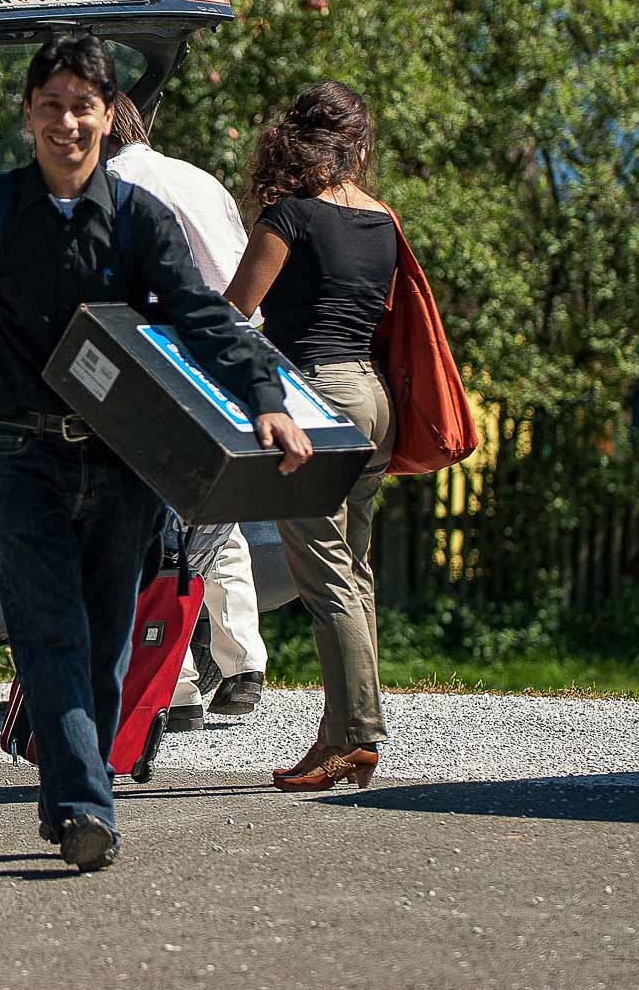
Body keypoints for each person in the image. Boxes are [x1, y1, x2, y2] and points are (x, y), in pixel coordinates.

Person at [0, 34, 312, 871]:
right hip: (21, 460)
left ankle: (72, 792)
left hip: (122, 467)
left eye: (85, 105)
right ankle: (86, 804)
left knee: (108, 642)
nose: (69, 122)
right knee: (49, 636)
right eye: (53, 105)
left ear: (111, 117)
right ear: (28, 114)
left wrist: (265, 399)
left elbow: (202, 317)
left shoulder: (140, 218)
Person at [225, 81, 398, 792]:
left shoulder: (288, 216)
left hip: (315, 399)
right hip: (372, 395)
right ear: (357, 142)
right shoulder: (384, 220)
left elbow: (234, 312)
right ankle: (336, 734)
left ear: (294, 140)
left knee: (326, 577)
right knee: (352, 572)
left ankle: (358, 735)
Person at [103, 94, 270, 726]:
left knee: (153, 519)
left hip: (167, 360)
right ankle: (242, 663)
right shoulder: (197, 178)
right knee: (211, 506)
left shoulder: (112, 185)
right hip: (239, 352)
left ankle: (172, 685)